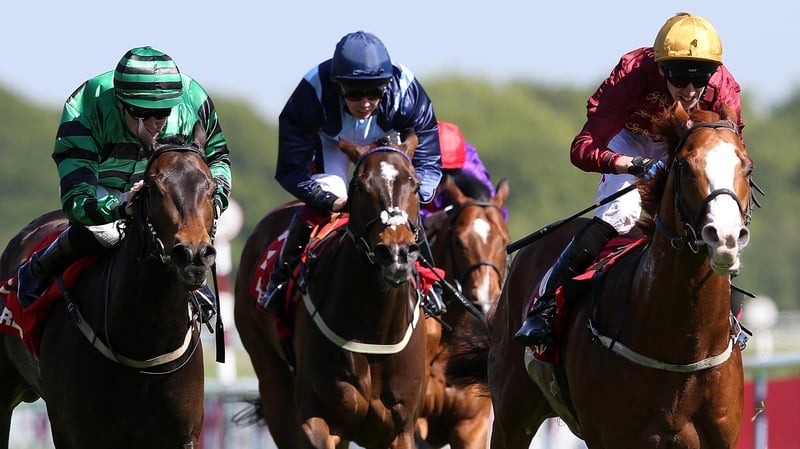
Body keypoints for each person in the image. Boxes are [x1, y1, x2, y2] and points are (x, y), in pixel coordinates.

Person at [515, 12, 745, 346]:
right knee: (619, 214)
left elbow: (735, 153)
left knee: (714, 215)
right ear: (661, 67)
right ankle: (546, 304)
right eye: (680, 77)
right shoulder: (633, 74)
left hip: (685, 145)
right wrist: (632, 165)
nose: (692, 89)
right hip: (630, 140)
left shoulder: (723, 88)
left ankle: (728, 315)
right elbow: (582, 149)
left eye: (702, 76)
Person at [15, 46, 232, 324]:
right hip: (103, 185)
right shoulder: (85, 107)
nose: (156, 122)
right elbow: (76, 200)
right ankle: (40, 264)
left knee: (183, 231)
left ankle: (195, 284)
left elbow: (219, 159)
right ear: (120, 103)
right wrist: (121, 205)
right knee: (107, 232)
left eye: (164, 112)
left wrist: (212, 201)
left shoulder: (195, 101)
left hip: (168, 191)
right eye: (143, 113)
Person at [258, 31, 442, 318]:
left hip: (389, 139)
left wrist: (419, 193)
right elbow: (291, 168)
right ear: (337, 85)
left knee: (404, 207)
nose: (365, 103)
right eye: (354, 92)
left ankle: (432, 287)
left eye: (374, 92)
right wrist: (325, 200)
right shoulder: (312, 90)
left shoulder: (406, 91)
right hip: (331, 141)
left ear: (387, 86)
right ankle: (281, 279)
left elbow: (428, 149)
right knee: (334, 195)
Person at [420, 121, 508, 221]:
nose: (440, 178)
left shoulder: (472, 170)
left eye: (448, 170)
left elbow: (498, 211)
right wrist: (426, 218)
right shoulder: (407, 160)